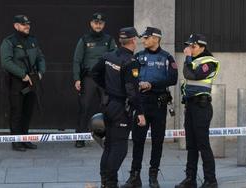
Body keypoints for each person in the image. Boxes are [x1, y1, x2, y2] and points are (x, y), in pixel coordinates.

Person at [122, 27, 178, 188]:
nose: (143, 41)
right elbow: (130, 76)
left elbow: (173, 79)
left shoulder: (167, 57)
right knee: (138, 140)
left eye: (146, 38)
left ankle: (153, 176)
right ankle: (135, 176)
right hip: (141, 104)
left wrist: (151, 84)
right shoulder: (138, 56)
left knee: (157, 141)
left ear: (156, 38)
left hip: (158, 104)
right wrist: (137, 84)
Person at [92, 27, 146, 188]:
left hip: (108, 104)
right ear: (133, 41)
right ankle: (109, 182)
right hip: (121, 108)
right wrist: (140, 112)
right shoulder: (131, 61)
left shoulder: (108, 56)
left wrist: (109, 87)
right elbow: (131, 90)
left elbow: (95, 73)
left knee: (109, 145)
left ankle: (107, 182)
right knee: (119, 148)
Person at [175, 34, 220, 188]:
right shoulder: (193, 61)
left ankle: (210, 180)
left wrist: (187, 58)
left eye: (193, 46)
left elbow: (191, 75)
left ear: (202, 47)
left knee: (203, 144)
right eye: (189, 46)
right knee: (191, 145)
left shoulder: (209, 61)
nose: (189, 49)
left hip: (202, 107)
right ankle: (190, 179)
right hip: (191, 106)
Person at [0, 15, 46, 151]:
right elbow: (6, 62)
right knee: (17, 112)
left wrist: (40, 72)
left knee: (27, 112)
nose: (27, 26)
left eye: (28, 24)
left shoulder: (33, 40)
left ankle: (25, 139)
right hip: (17, 81)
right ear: (16, 26)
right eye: (23, 24)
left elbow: (41, 58)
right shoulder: (9, 42)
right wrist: (22, 75)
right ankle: (16, 142)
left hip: (31, 81)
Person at [73, 12, 117, 148]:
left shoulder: (109, 40)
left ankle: (108, 137)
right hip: (89, 79)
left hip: (105, 79)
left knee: (108, 107)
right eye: (96, 23)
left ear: (104, 24)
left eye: (101, 23)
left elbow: (115, 58)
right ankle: (80, 137)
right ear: (91, 24)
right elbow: (77, 60)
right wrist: (76, 79)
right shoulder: (84, 40)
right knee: (84, 108)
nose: (98, 25)